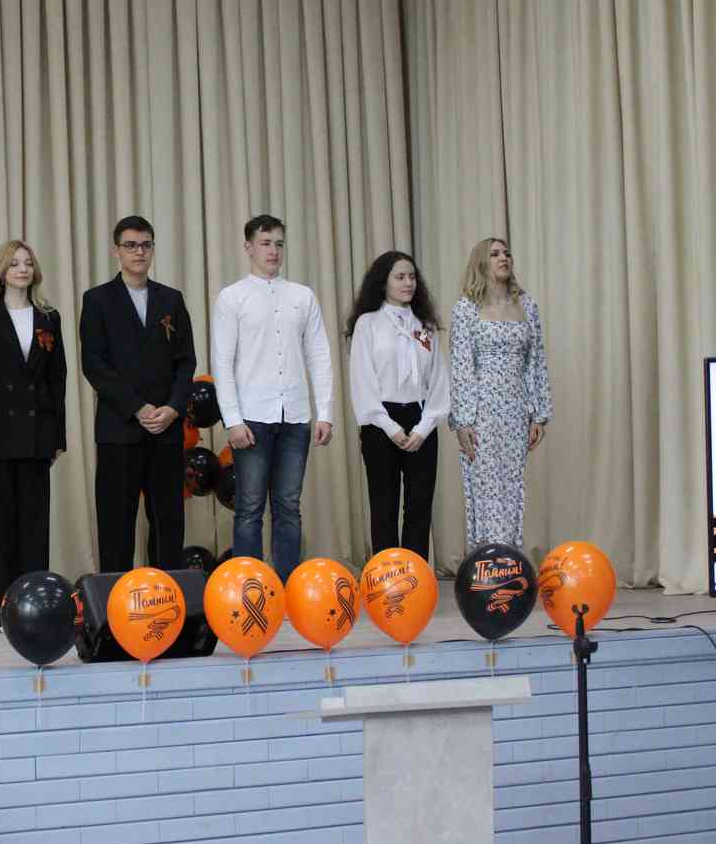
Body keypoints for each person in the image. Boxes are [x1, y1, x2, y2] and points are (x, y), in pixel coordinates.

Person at [210, 215, 333, 581]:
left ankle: (288, 587)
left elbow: (319, 355)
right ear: (249, 247)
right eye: (265, 243)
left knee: (289, 506)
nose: (273, 251)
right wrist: (233, 419)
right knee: (249, 508)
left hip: (295, 416)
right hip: (251, 418)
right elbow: (222, 362)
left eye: (279, 243)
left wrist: (325, 412)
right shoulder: (232, 297)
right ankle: (252, 588)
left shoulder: (302, 296)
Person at [80, 215, 196, 575]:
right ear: (117, 251)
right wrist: (137, 407)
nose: (139, 252)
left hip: (166, 427)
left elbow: (186, 361)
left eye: (146, 244)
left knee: (168, 520)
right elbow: (94, 364)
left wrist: (173, 408)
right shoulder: (97, 300)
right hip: (120, 428)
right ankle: (114, 596)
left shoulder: (171, 299)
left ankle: (168, 594)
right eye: (130, 245)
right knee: (116, 522)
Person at [0, 241, 67, 629]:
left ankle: (32, 605)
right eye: (14, 264)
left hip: (37, 434)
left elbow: (58, 380)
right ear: (2, 271)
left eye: (27, 263)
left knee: (34, 524)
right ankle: (2, 608)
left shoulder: (49, 317)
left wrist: (57, 436)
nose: (22, 269)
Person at [449, 237, 553, 550]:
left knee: (512, 485)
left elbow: (536, 361)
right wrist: (463, 420)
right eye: (495, 254)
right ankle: (488, 556)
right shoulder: (466, 308)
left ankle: (509, 556)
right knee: (485, 485)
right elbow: (461, 365)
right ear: (481, 262)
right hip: (481, 410)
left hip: (517, 409)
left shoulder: (526, 305)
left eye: (506, 253)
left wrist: (539, 414)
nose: (503, 257)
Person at [345, 250, 448, 561]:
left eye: (412, 277)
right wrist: (390, 427)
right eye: (400, 277)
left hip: (420, 418)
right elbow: (362, 381)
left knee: (419, 505)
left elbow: (439, 381)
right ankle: (386, 576)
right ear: (384, 282)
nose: (408, 283)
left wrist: (424, 427)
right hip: (380, 421)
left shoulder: (425, 326)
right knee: (383, 504)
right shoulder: (368, 323)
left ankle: (415, 574)